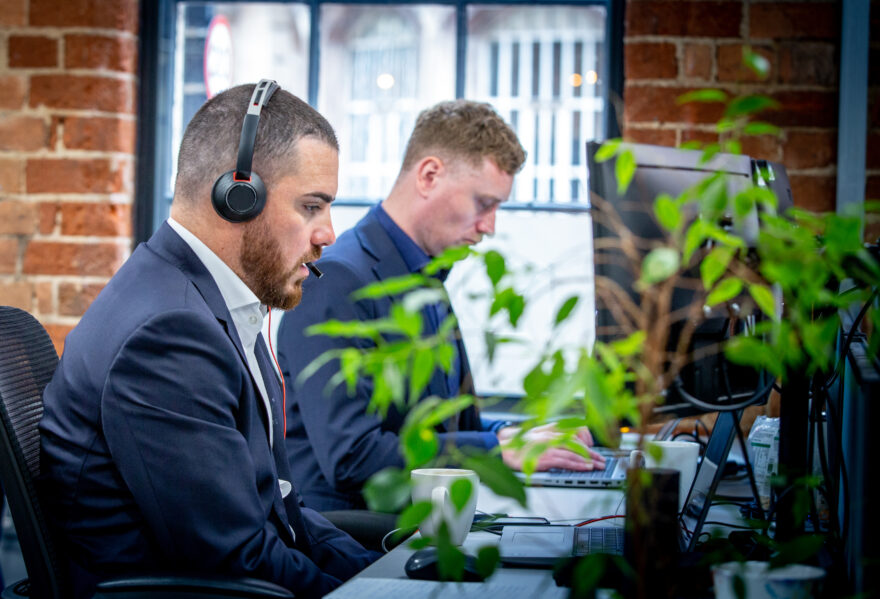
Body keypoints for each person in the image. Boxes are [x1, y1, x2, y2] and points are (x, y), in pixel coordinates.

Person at [39, 81, 377, 599]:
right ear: (237, 198)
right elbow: (233, 559)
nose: (328, 234)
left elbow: (281, 508)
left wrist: (384, 572)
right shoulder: (169, 333)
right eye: (311, 206)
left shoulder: (209, 301)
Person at [276, 100, 606, 514]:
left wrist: (514, 435)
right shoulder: (338, 281)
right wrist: (494, 449)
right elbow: (353, 457)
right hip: (360, 539)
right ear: (429, 175)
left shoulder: (422, 271)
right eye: (484, 203)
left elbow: (449, 431)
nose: (490, 226)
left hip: (431, 518)